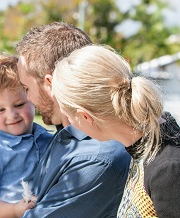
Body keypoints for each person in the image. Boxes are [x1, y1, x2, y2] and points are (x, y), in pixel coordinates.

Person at [51, 44, 180, 218]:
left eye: (69, 115)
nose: (70, 123)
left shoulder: (167, 170)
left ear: (85, 117)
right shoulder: (144, 146)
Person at [15, 22, 131, 217]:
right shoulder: (66, 135)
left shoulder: (97, 157)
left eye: (27, 88)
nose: (28, 99)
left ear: (49, 83)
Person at [0, 54, 53, 218]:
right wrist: (13, 210)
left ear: (31, 96)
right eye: (0, 110)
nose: (12, 115)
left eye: (19, 105)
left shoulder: (48, 139)